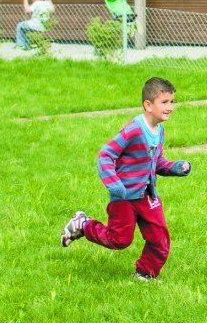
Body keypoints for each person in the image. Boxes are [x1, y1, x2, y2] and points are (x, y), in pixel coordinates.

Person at [61, 76, 192, 281]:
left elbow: (155, 162)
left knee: (160, 239)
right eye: (164, 102)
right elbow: (106, 155)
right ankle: (83, 225)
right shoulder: (134, 130)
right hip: (124, 196)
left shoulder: (159, 131)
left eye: (172, 102)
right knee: (119, 240)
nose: (170, 107)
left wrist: (174, 167)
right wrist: (115, 186)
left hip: (147, 196)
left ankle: (145, 274)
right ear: (148, 105)